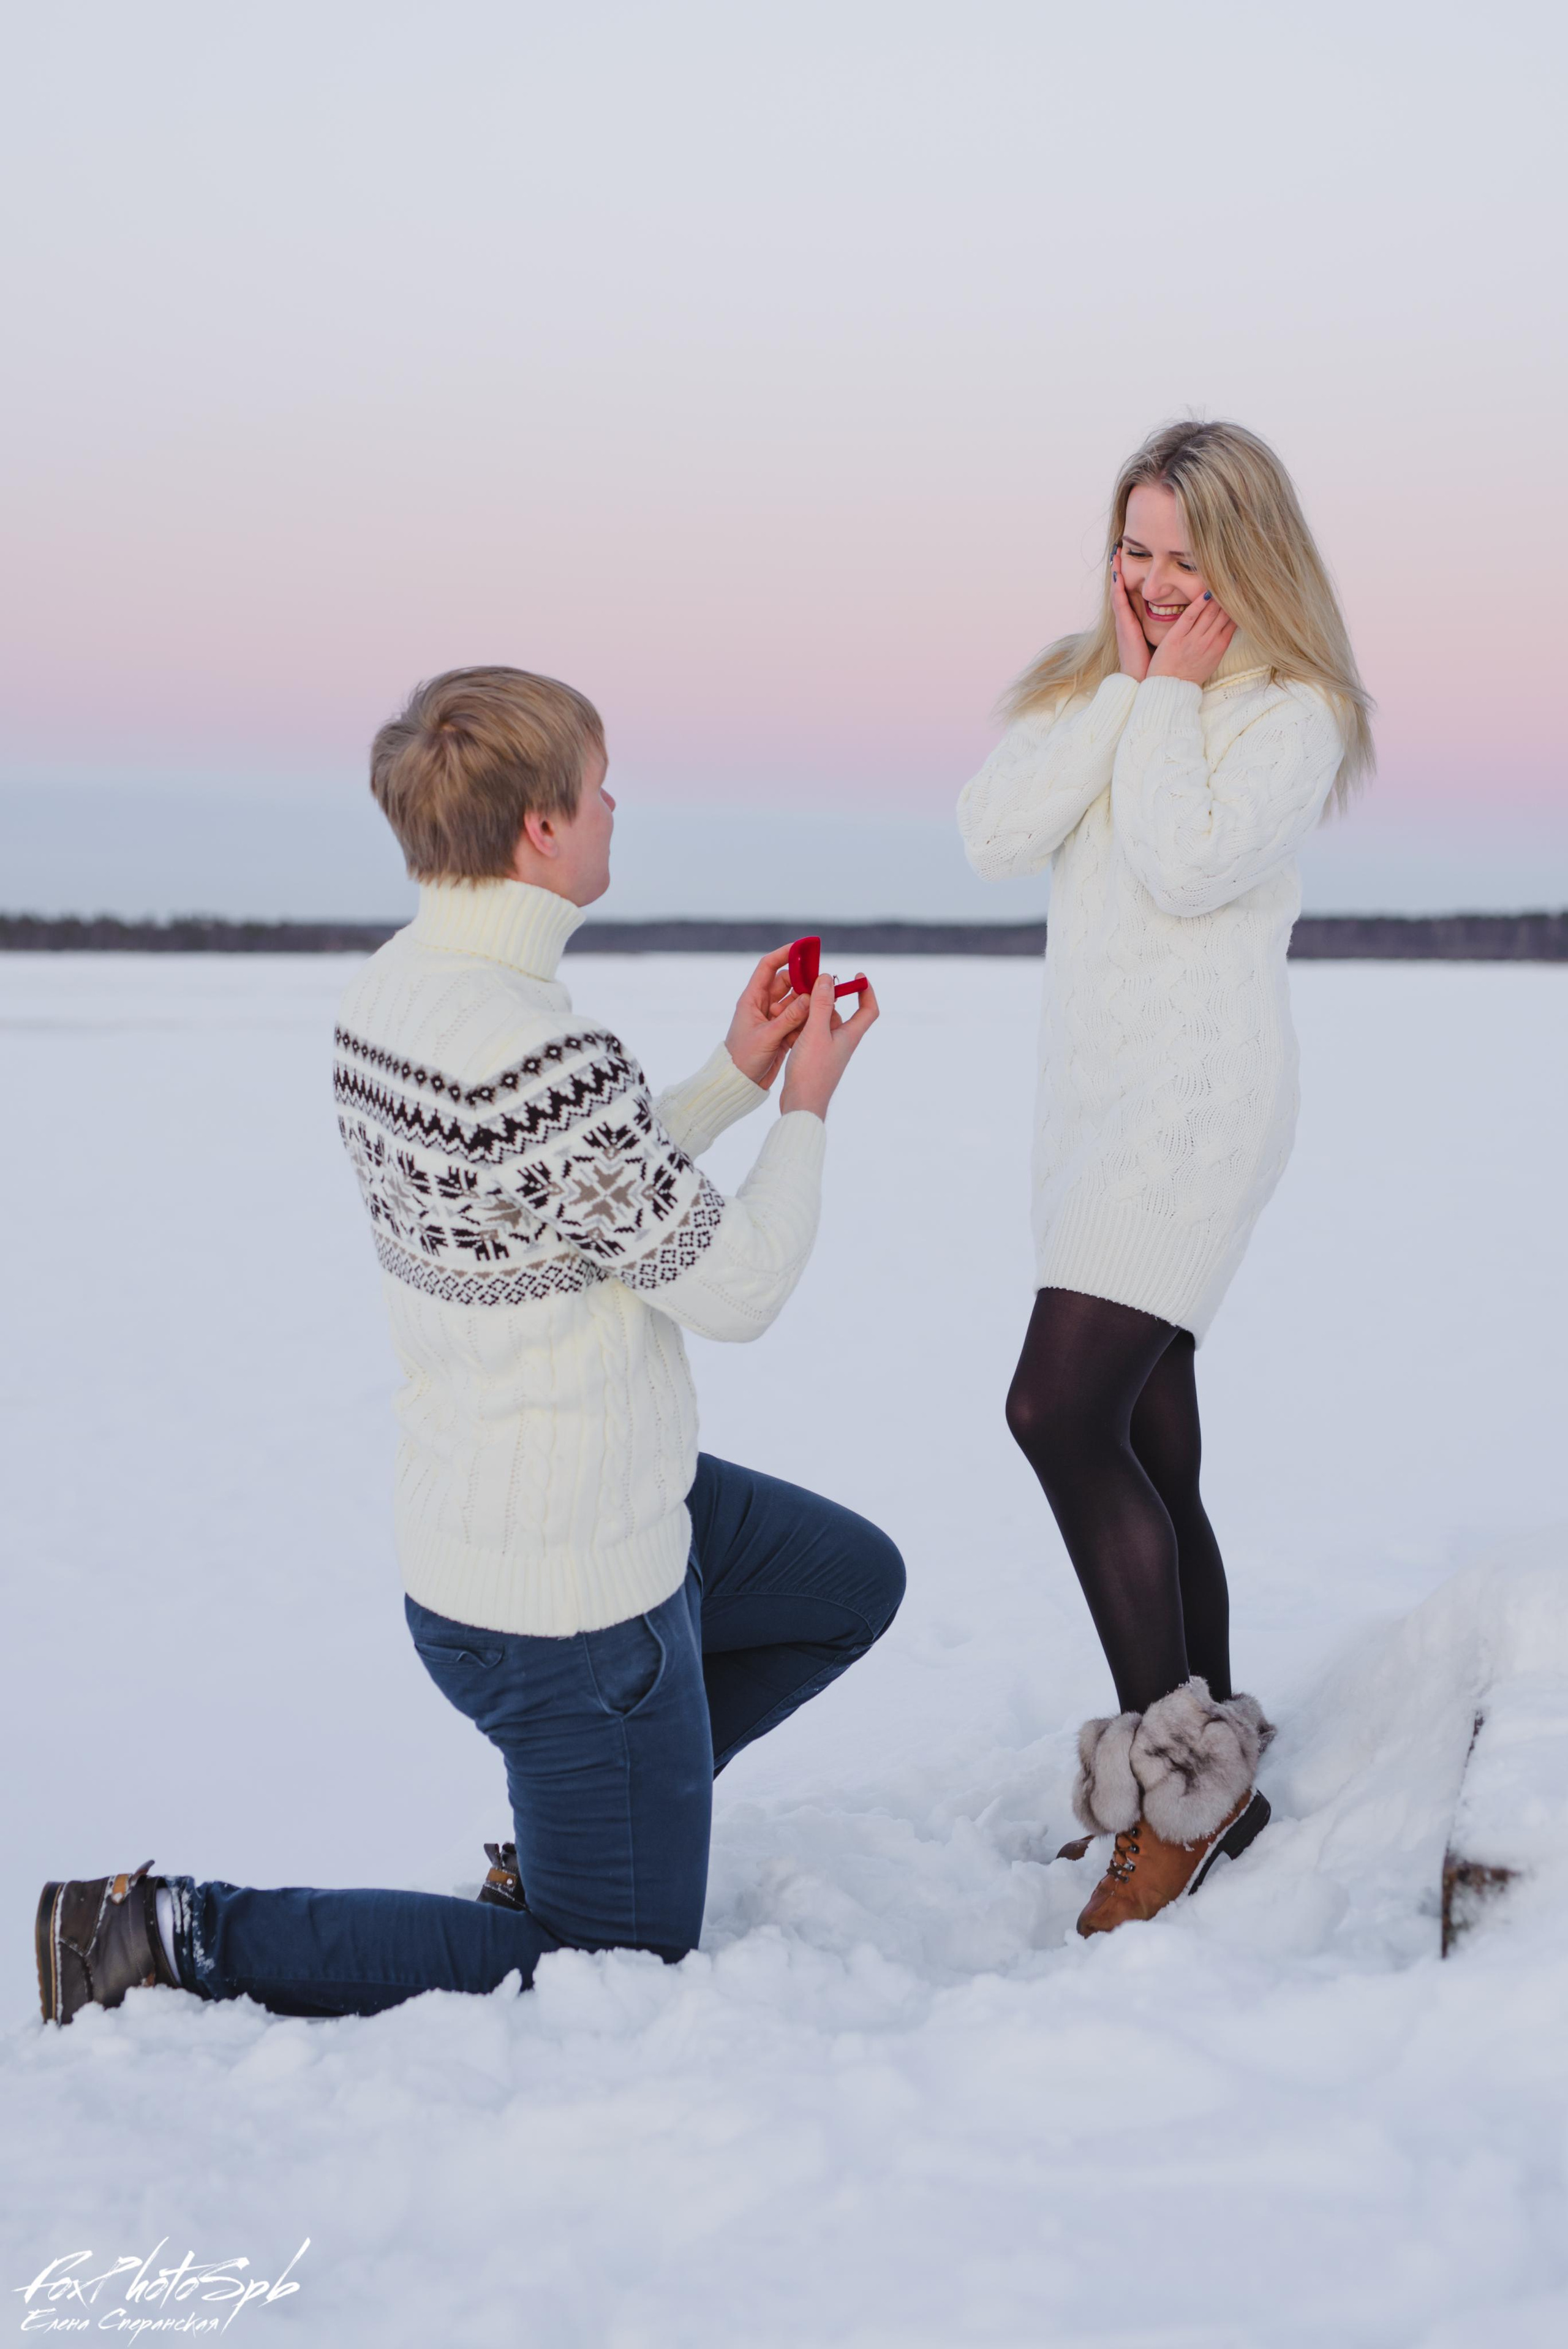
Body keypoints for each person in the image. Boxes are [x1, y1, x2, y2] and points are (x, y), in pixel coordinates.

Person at [37, 666, 903, 2024]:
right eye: (598, 784)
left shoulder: (394, 996)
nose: (617, 804)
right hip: (570, 1602)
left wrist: (730, 1074)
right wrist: (803, 1107)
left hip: (551, 1526)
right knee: (606, 1960)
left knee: (849, 1582)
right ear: (539, 832)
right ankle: (165, 1932)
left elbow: (568, 1201)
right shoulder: (537, 1056)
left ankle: (601, 1809)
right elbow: (733, 1287)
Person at [957, 420, 1372, 1936]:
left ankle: (1176, 1796)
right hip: (1089, 1111)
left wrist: (1173, 699)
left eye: (1182, 562)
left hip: (1193, 1110)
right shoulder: (1110, 685)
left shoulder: (1289, 711)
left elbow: (1187, 862)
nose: (1146, 584)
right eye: (1130, 552)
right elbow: (993, 833)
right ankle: (1223, 1799)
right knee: (1147, 1436)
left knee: (1052, 1412)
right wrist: (1129, 691)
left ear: (1245, 562)